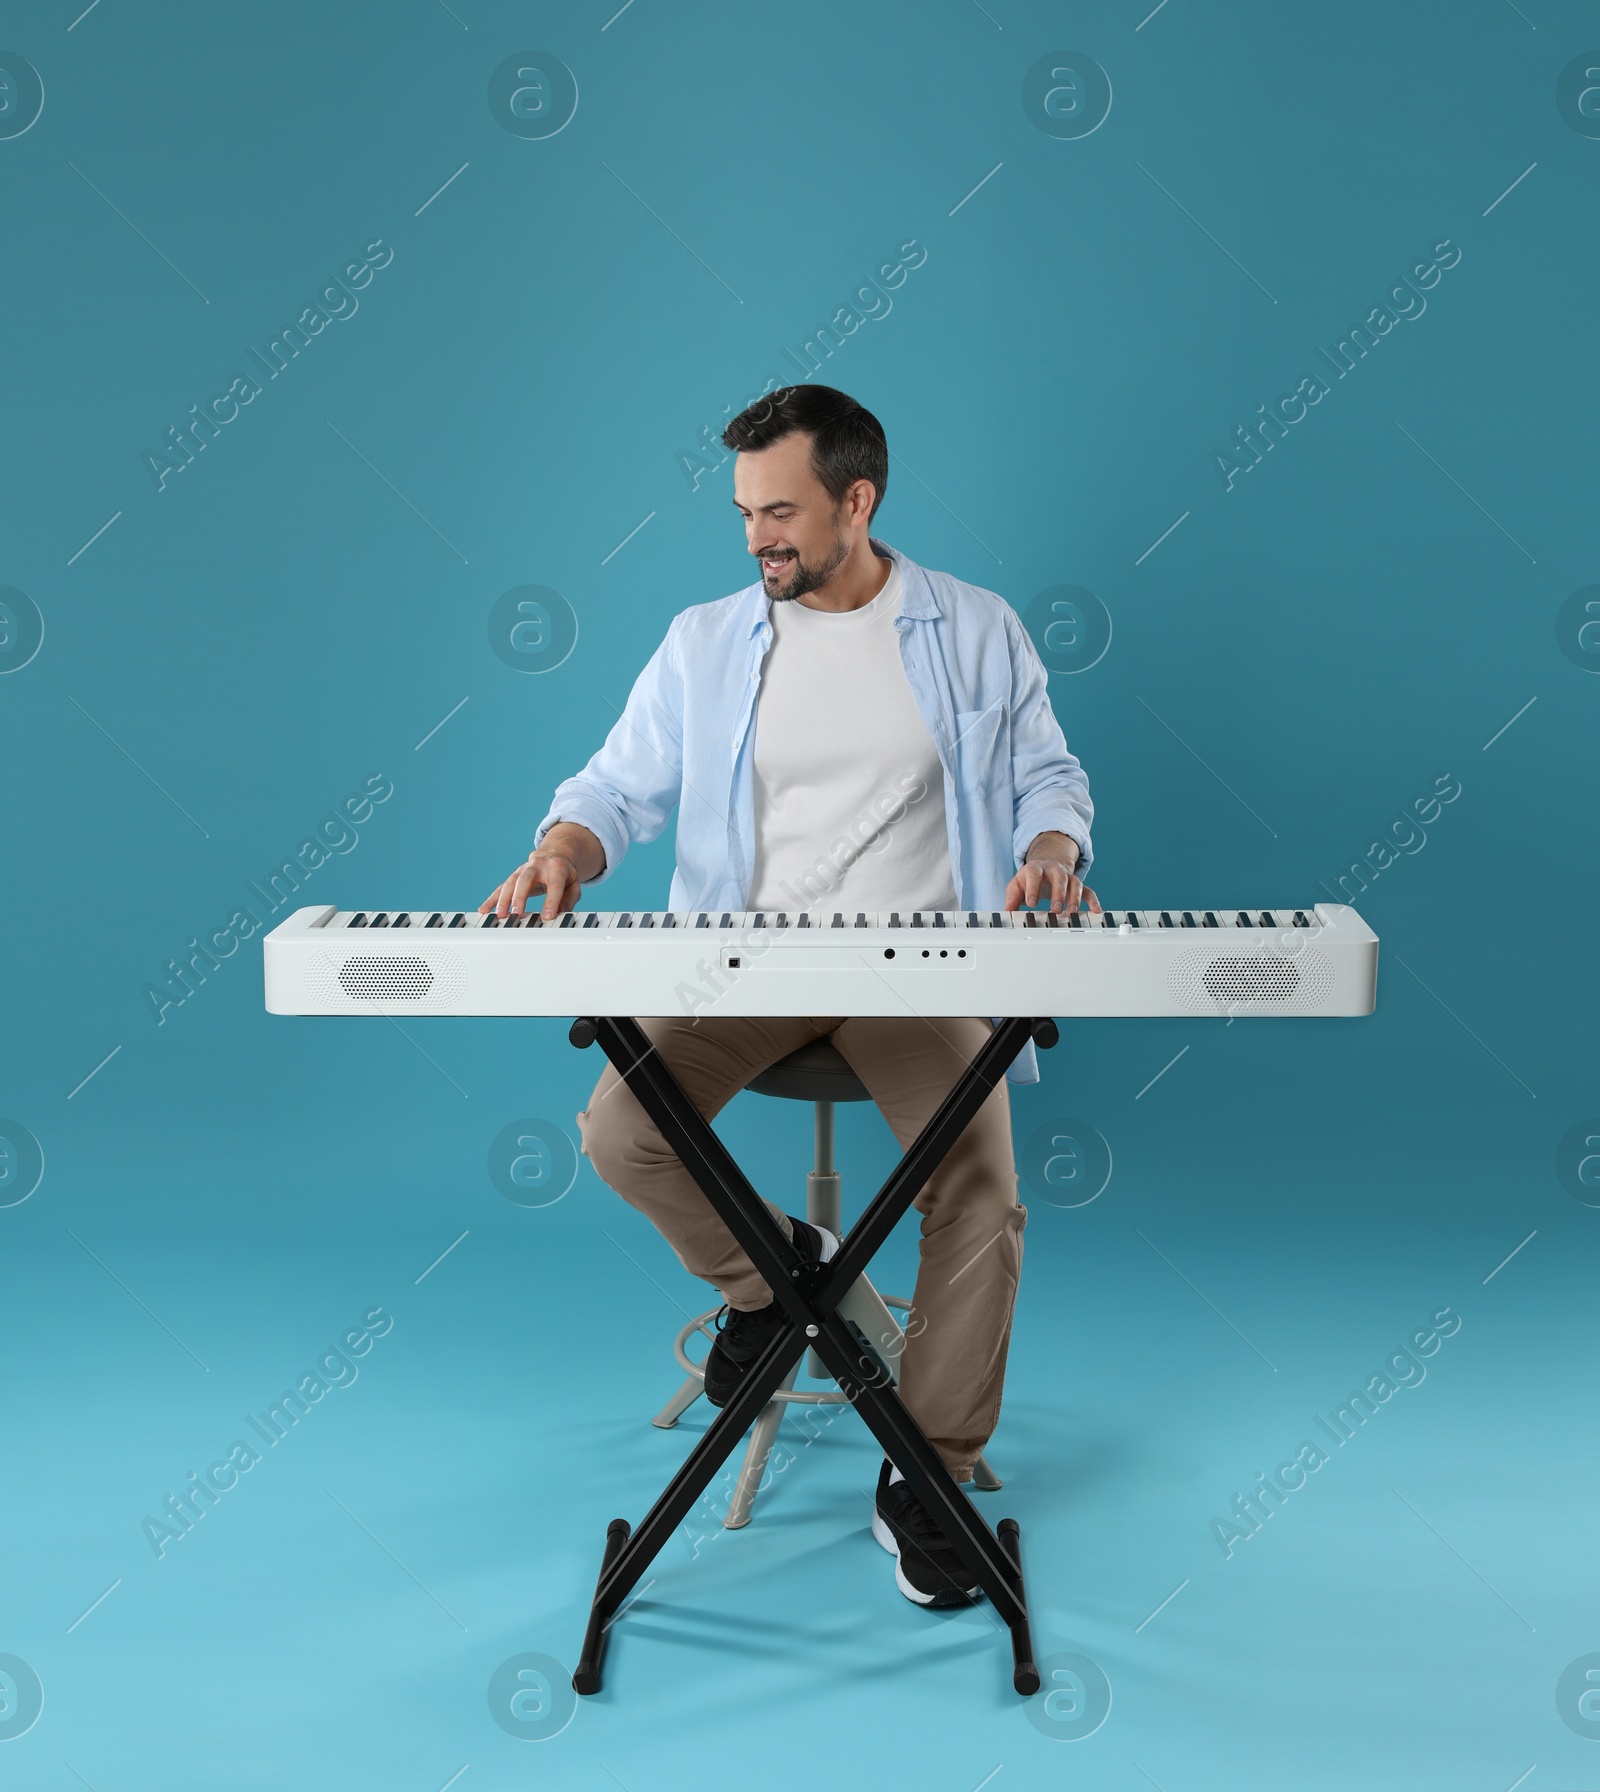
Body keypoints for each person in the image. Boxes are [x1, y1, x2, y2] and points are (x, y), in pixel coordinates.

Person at [481, 385, 1098, 1608]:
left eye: (781, 510)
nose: (757, 535)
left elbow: (1049, 772)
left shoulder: (974, 628)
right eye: (744, 512)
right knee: (619, 1129)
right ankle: (781, 1276)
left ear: (855, 501)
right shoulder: (703, 639)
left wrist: (1052, 852)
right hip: (737, 960)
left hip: (918, 969)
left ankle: (929, 1469)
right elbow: (613, 788)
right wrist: (563, 845)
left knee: (981, 1187)